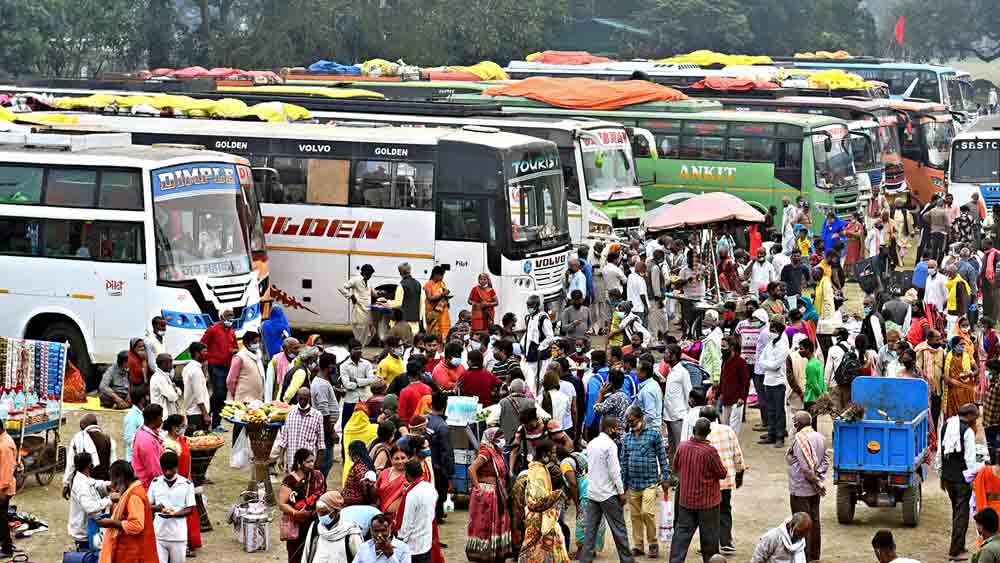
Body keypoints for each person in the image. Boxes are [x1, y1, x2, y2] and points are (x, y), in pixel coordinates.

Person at [670, 418, 727, 563]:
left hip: (686, 501)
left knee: (681, 536)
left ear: (694, 430)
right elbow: (722, 473)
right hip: (708, 504)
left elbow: (675, 468)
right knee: (709, 540)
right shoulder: (710, 451)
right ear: (708, 432)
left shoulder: (682, 447)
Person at [578, 419, 634, 563]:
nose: (618, 431)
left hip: (592, 493)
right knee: (619, 529)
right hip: (608, 494)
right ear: (610, 429)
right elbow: (615, 472)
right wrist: (621, 492)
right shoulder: (610, 445)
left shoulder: (591, 444)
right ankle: (627, 560)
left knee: (591, 529)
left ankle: (585, 559)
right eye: (616, 428)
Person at [622, 405, 670, 558]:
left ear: (641, 418)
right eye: (628, 422)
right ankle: (638, 546)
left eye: (632, 421)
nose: (630, 424)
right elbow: (624, 462)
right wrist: (622, 485)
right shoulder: (627, 438)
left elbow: (662, 457)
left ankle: (653, 543)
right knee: (635, 516)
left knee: (647, 512)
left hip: (650, 482)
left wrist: (666, 476)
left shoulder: (653, 435)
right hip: (633, 484)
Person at [699, 406, 745, 555]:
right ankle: (726, 542)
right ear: (716, 416)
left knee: (707, 512)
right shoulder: (728, 430)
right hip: (725, 479)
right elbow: (737, 455)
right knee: (725, 508)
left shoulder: (700, 433)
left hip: (707, 481)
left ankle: (708, 543)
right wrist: (739, 475)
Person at [938, 403, 979, 561]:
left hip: (948, 478)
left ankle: (959, 545)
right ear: (969, 417)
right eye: (975, 418)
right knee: (961, 515)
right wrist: (972, 480)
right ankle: (955, 552)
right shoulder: (967, 431)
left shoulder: (947, 425)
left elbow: (941, 453)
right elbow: (970, 460)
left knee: (957, 512)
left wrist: (941, 474)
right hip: (962, 480)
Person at [785, 411, 828, 562]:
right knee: (815, 521)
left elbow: (804, 469)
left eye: (794, 422)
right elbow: (825, 462)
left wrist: (815, 480)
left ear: (797, 424)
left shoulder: (799, 440)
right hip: (815, 489)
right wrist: (819, 481)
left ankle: (805, 557)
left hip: (800, 488)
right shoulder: (821, 437)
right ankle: (815, 556)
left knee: (802, 523)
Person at [466, 427, 513, 562]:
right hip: (487, 494)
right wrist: (478, 488)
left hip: (497, 492)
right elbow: (472, 469)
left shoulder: (497, 451)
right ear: (491, 439)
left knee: (496, 523)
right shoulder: (486, 451)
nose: (501, 440)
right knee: (485, 525)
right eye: (498, 438)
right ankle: (485, 554)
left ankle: (496, 552)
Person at [97, 460, 157, 563]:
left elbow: (136, 525)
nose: (112, 484)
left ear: (120, 478)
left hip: (135, 553)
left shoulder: (133, 495)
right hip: (132, 551)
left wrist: (112, 523)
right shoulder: (134, 490)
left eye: (113, 479)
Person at [278, 448, 327, 563]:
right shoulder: (290, 480)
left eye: (312, 461)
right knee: (296, 555)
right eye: (308, 462)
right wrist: (296, 513)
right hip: (296, 523)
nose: (312, 464)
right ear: (299, 463)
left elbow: (323, 497)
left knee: (313, 552)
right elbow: (282, 504)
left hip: (314, 521)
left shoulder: (318, 476)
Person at [147, 451, 196, 563]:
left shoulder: (186, 485)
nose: (167, 472)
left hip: (178, 536)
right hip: (159, 535)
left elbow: (190, 509)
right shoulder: (155, 483)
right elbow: (147, 506)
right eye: (164, 469)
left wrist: (175, 514)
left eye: (170, 469)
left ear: (176, 467)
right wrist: (157, 508)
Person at [300, 490, 364, 563]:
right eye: (318, 512)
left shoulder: (350, 531)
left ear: (336, 511)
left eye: (324, 512)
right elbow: (306, 553)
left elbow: (360, 558)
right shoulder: (315, 526)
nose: (320, 516)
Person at [200, 309, 237, 431]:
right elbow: (202, 345)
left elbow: (236, 347)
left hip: (228, 366)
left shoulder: (232, 332)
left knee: (220, 395)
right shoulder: (213, 329)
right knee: (219, 394)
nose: (230, 318)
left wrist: (234, 351)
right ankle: (214, 422)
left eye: (232, 316)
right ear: (221, 317)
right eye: (228, 316)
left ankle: (212, 419)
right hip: (215, 366)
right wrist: (207, 359)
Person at [274, 388, 326, 475]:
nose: (302, 401)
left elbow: (320, 444)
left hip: (308, 464)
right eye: (300, 398)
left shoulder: (317, 416)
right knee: (291, 486)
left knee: (306, 486)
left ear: (310, 398)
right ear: (297, 398)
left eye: (305, 399)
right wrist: (281, 457)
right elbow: (284, 439)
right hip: (291, 462)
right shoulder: (290, 414)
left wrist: (317, 465)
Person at [67, 452, 112, 551]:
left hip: (88, 529)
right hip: (84, 534)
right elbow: (90, 508)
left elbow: (95, 484)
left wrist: (109, 485)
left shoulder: (84, 479)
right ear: (90, 465)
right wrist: (109, 500)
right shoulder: (81, 485)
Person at [397, 458, 439, 563]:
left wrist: (400, 540)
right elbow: (432, 514)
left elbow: (407, 523)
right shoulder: (431, 489)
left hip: (412, 546)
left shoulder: (412, 494)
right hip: (426, 541)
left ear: (407, 474)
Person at [63, 413, 116, 492]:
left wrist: (66, 484)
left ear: (84, 425)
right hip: (103, 484)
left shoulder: (78, 439)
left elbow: (71, 464)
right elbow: (113, 464)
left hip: (83, 484)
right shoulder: (109, 440)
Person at [760, 320, 791, 447]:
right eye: (770, 330)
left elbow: (776, 365)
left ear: (779, 332)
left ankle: (780, 437)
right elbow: (761, 361)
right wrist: (768, 365)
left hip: (778, 383)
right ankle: (771, 434)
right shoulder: (769, 344)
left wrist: (767, 365)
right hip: (768, 381)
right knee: (770, 410)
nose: (771, 333)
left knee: (779, 411)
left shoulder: (783, 346)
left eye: (773, 331)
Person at [312, 352, 341, 478]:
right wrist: (332, 431)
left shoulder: (323, 382)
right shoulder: (321, 384)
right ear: (329, 367)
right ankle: (319, 486)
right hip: (325, 429)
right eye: (334, 365)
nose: (335, 368)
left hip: (326, 427)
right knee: (325, 462)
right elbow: (324, 412)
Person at [426, 392, 454, 519]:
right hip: (438, 467)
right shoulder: (442, 426)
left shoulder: (426, 421)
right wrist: (449, 473)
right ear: (444, 407)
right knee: (439, 492)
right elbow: (446, 452)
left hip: (427, 463)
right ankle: (437, 515)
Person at [663, 344, 693, 463]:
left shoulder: (682, 372)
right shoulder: (670, 371)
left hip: (678, 416)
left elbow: (689, 393)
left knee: (680, 448)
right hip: (669, 416)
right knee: (672, 448)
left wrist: (689, 415)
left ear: (674, 356)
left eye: (667, 353)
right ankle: (673, 475)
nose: (664, 355)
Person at [522, 294, 555, 394]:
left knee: (540, 381)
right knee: (530, 380)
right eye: (528, 306)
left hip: (541, 356)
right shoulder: (529, 318)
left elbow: (550, 337)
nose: (529, 308)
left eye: (531, 306)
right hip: (530, 354)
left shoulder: (543, 318)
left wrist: (540, 347)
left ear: (536, 306)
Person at [341, 341, 378, 428]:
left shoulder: (367, 364)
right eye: (355, 349)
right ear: (350, 350)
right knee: (346, 426)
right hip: (350, 401)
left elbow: (372, 380)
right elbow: (347, 385)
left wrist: (356, 381)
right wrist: (364, 382)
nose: (359, 351)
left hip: (365, 400)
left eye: (360, 348)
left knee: (365, 425)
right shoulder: (344, 366)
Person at [719, 335, 750, 434]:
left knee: (733, 429)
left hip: (737, 400)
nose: (721, 349)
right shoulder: (724, 361)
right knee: (725, 426)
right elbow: (722, 379)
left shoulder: (740, 362)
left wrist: (742, 397)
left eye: (724, 346)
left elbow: (745, 382)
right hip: (726, 399)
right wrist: (717, 394)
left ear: (731, 347)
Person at [340, 264, 376, 346]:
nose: (370, 276)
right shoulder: (356, 280)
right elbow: (342, 287)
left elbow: (374, 294)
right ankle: (355, 352)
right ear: (364, 272)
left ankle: (359, 351)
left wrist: (381, 294)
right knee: (359, 336)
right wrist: (351, 296)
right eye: (369, 273)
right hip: (359, 312)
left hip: (367, 313)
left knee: (370, 333)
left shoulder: (369, 283)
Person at [132, 404, 165, 489]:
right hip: (148, 485)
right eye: (161, 417)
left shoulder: (143, 432)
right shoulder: (147, 440)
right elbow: (154, 469)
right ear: (156, 418)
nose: (162, 420)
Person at [944, 336, 977, 420]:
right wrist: (949, 380)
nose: (963, 347)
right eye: (961, 345)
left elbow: (977, 369)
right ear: (954, 346)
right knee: (953, 418)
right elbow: (944, 375)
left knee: (967, 416)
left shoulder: (968, 356)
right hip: (952, 392)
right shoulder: (947, 357)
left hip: (966, 391)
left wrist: (971, 374)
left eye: (964, 345)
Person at [181, 343, 211, 433]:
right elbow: (199, 396)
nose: (207, 353)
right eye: (204, 351)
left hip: (192, 411)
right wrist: (205, 415)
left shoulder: (188, 368)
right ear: (197, 353)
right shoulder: (196, 371)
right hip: (198, 413)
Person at [390, 262, 424, 337]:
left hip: (404, 322)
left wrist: (387, 304)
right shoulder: (418, 284)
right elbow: (420, 302)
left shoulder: (401, 286)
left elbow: (398, 304)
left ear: (400, 273)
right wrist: (420, 318)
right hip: (415, 322)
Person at [800, 340, 826, 429]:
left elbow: (813, 383)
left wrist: (821, 396)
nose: (800, 351)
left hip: (810, 398)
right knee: (813, 423)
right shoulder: (817, 362)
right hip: (816, 398)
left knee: (809, 424)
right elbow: (822, 381)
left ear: (808, 350)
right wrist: (823, 394)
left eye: (801, 349)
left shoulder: (810, 365)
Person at [343, 440, 377, 507]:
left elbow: (365, 487)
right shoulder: (363, 464)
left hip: (356, 504)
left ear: (352, 453)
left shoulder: (359, 467)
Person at [423, 265, 452, 342]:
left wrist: (446, 296)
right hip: (432, 311)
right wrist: (442, 294)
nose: (442, 277)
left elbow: (443, 294)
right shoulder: (428, 284)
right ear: (435, 274)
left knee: (443, 331)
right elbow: (430, 298)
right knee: (433, 332)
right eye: (441, 275)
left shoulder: (442, 283)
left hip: (442, 311)